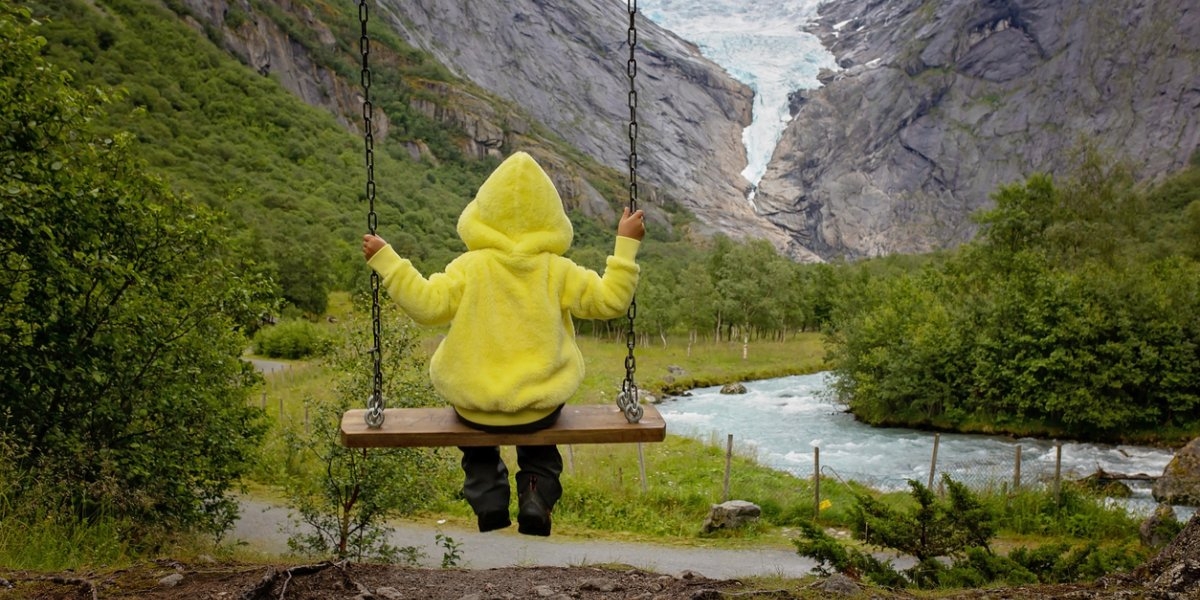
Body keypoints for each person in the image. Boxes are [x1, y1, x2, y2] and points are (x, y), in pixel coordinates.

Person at [361, 151, 645, 536]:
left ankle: (488, 498)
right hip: (538, 408)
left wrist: (389, 262)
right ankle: (535, 495)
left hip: (474, 407)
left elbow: (426, 306)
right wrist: (625, 245)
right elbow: (611, 300)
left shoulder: (468, 268)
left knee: (477, 449)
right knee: (541, 452)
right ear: (551, 217)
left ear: (481, 213)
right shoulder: (557, 270)